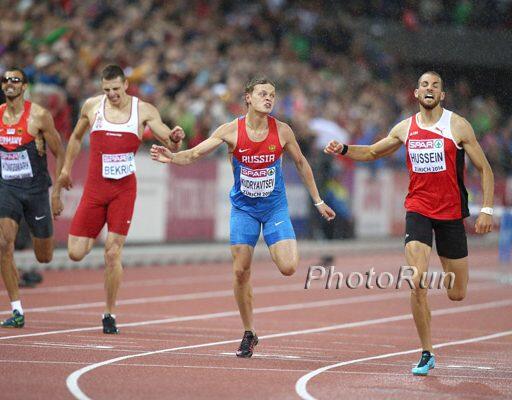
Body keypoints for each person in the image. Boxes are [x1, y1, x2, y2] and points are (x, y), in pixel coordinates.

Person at [151, 77, 336, 357]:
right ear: (248, 97)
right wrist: (173, 157)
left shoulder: (282, 131)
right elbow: (195, 153)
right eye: (262, 93)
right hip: (244, 209)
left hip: (274, 209)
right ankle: (249, 332)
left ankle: (275, 246)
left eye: (272, 94)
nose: (268, 98)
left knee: (288, 267)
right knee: (240, 271)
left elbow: (301, 163)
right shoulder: (230, 131)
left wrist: (318, 201)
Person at [324, 71, 494, 376]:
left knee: (457, 292)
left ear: (442, 95)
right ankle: (427, 352)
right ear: (416, 93)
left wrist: (487, 210)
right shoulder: (405, 128)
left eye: (435, 86)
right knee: (416, 281)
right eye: (424, 85)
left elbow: (485, 169)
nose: (429, 89)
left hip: (451, 214)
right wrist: (345, 149)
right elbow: (373, 151)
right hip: (418, 209)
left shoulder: (457, 125)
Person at [56, 64, 184, 334]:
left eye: (116, 88)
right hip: (95, 190)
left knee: (113, 252)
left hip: (123, 191)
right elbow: (76, 137)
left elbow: (168, 139)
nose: (112, 94)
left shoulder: (143, 110)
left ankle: (109, 313)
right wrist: (66, 169)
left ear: (126, 85)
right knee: (75, 253)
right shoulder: (92, 106)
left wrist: (174, 138)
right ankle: (95, 231)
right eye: (107, 90)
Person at [0, 67, 65, 327]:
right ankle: (17, 310)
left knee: (44, 256)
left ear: (24, 86)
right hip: (7, 188)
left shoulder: (39, 116)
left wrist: (56, 192)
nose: (10, 83)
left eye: (15, 80)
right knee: (4, 244)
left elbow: (59, 152)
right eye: (6, 80)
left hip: (36, 190)